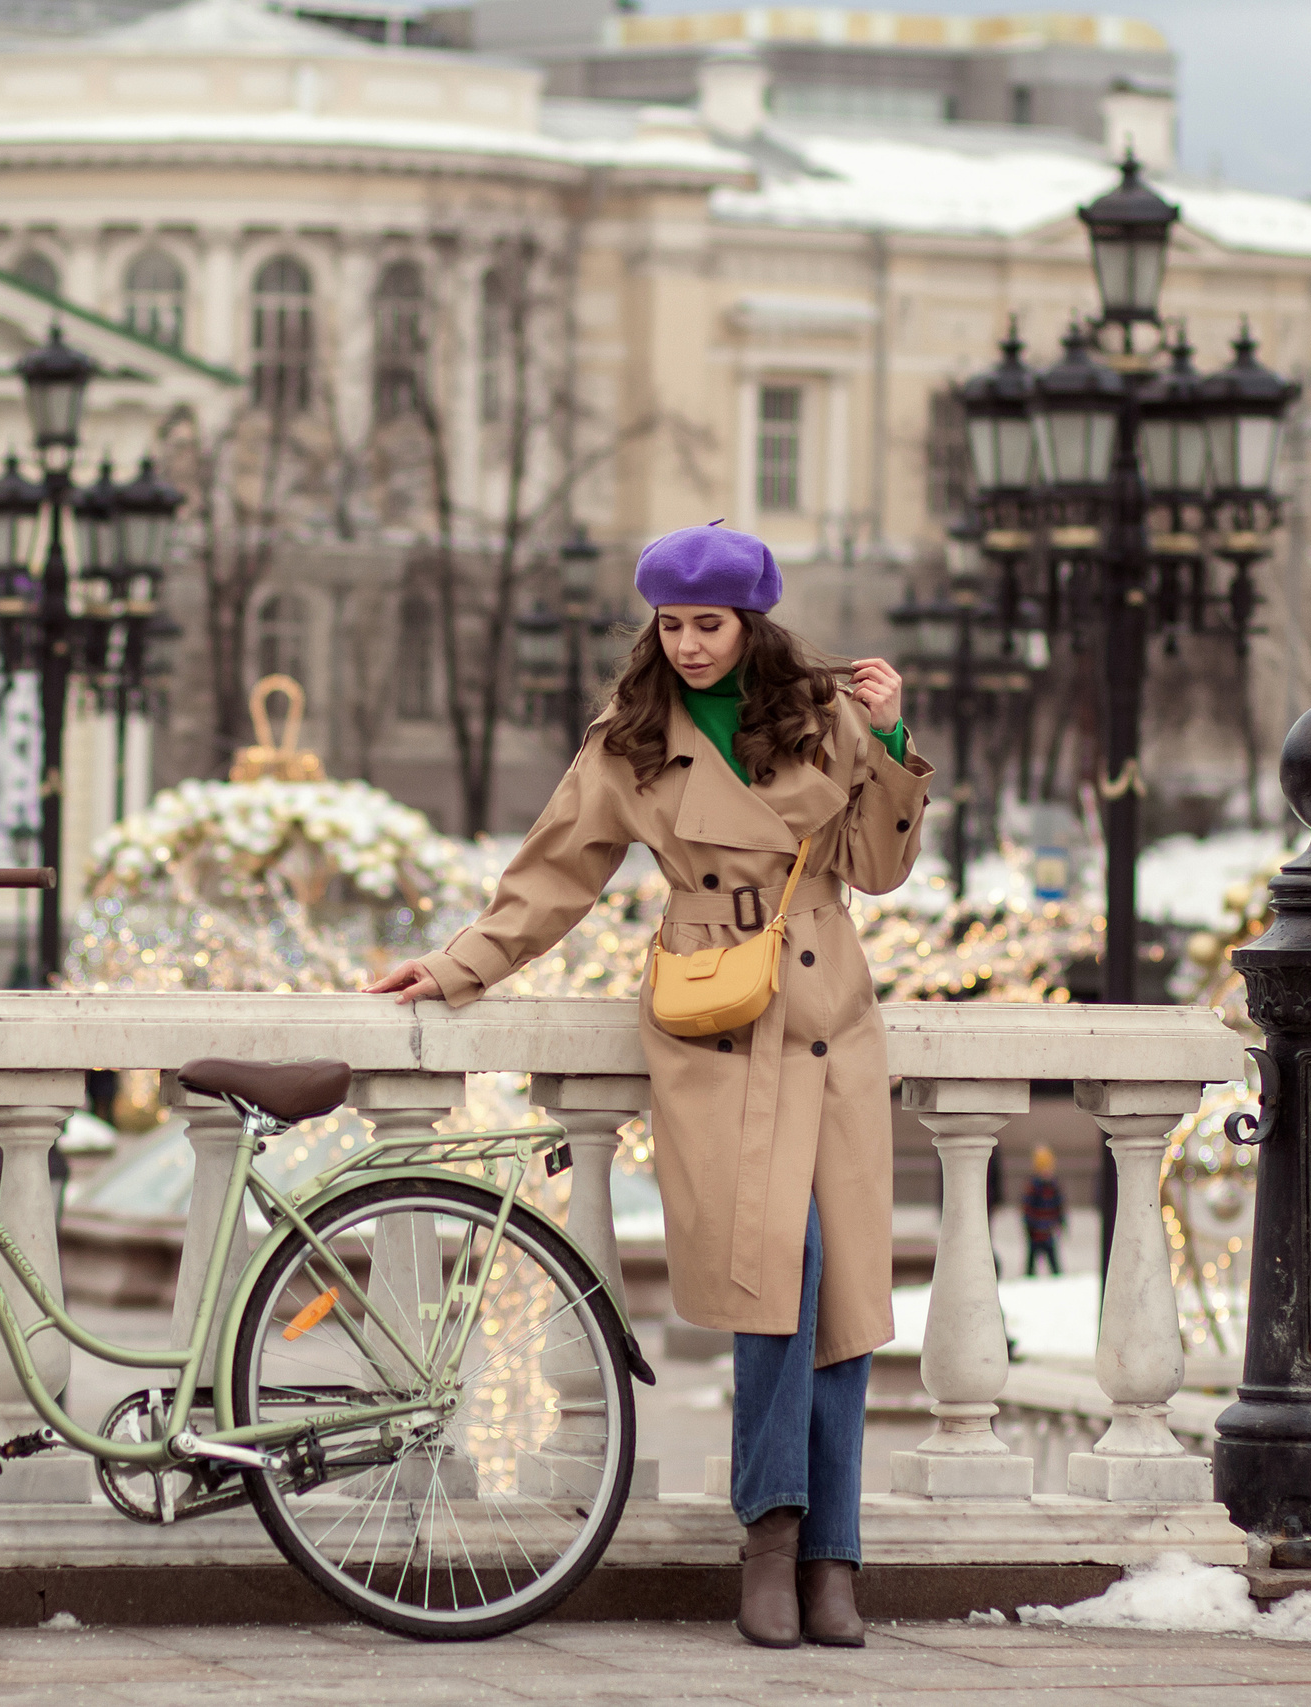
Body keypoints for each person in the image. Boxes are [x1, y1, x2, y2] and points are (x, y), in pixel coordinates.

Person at [366, 523, 931, 1650]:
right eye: (669, 625)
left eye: (706, 625)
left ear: (750, 624)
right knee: (780, 1277)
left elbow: (876, 868)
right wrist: (455, 965)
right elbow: (550, 878)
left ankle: (834, 1561)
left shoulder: (823, 717)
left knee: (847, 1302)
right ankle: (772, 1536)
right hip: (712, 1023)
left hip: (828, 1021)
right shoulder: (629, 740)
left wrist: (892, 734)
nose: (686, 647)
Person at [1022, 1146, 1066, 1276]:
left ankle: (1057, 1278)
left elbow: (1059, 1207)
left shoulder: (1054, 1187)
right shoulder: (1033, 1187)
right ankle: (1029, 1278)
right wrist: (1029, 1225)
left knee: (1053, 1259)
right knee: (1031, 1259)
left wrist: (1060, 1221)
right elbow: (1028, 1208)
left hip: (1048, 1231)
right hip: (1035, 1232)